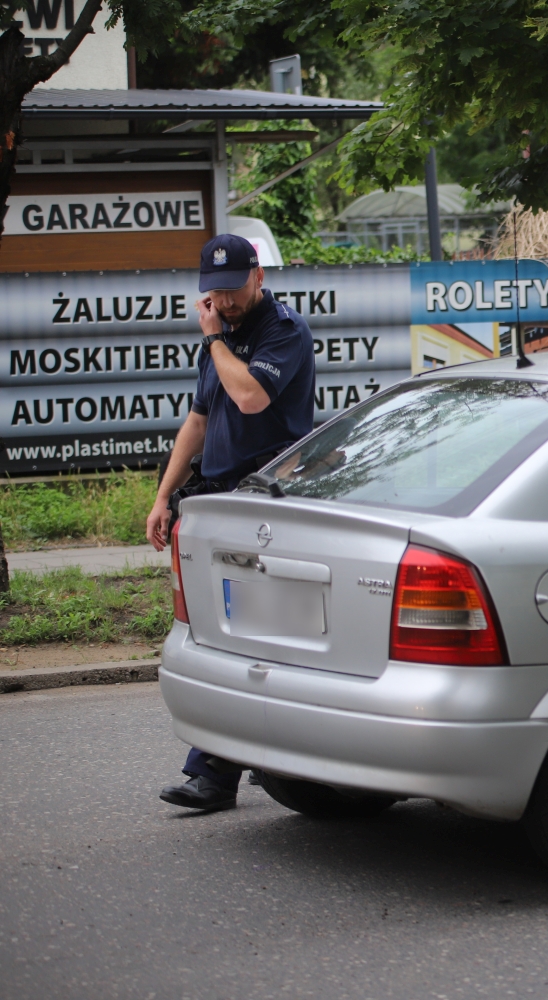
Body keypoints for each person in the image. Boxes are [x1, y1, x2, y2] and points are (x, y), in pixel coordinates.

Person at [153, 234, 316, 812]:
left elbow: (248, 397)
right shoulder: (221, 340)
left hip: (266, 503)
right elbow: (198, 422)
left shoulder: (282, 331)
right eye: (213, 292)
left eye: (232, 287)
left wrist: (217, 341)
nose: (223, 300)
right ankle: (229, 767)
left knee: (251, 633)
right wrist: (163, 495)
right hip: (221, 500)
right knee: (224, 633)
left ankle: (217, 772)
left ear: (258, 278)